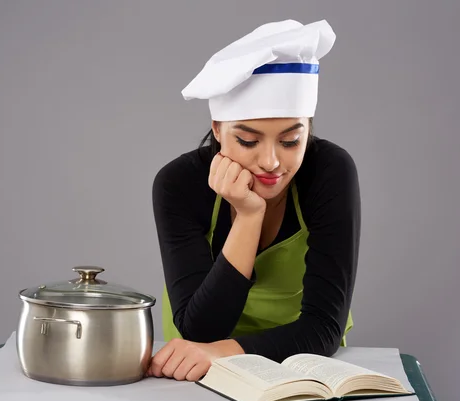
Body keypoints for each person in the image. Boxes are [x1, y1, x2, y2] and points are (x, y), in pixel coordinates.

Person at [148, 19, 361, 382]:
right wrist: (249, 215)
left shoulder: (329, 171)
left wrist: (220, 353)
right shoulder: (178, 184)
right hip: (195, 366)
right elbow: (200, 329)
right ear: (217, 128)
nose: (271, 162)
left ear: (308, 128)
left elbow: (323, 328)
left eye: (291, 141)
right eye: (248, 141)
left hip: (297, 361)